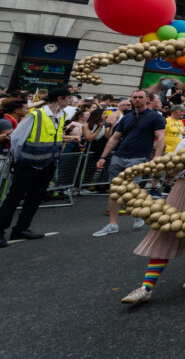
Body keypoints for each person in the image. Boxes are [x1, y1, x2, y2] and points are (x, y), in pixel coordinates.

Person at [119, 112, 185, 304]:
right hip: (182, 187)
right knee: (164, 230)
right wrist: (178, 164)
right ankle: (146, 287)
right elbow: (171, 170)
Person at [0, 87, 74, 247]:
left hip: (48, 163)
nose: (71, 102)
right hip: (28, 163)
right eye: (69, 98)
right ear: (60, 98)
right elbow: (17, 139)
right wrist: (19, 159)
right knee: (14, 198)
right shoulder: (36, 115)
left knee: (35, 197)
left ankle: (22, 228)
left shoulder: (62, 115)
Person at [92, 90, 166, 236]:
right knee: (114, 191)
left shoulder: (155, 117)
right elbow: (114, 138)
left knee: (131, 188)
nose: (137, 100)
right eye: (134, 97)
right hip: (119, 156)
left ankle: (138, 213)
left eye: (140, 97)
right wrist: (103, 157)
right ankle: (113, 224)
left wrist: (156, 158)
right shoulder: (127, 117)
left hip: (138, 158)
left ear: (147, 100)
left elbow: (161, 138)